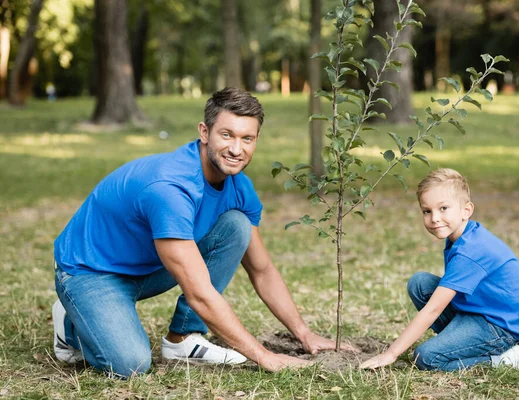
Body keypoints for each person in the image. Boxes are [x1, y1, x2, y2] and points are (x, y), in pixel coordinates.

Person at [52, 87, 353, 378]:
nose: (237, 149)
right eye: (227, 135)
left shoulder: (239, 187)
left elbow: (262, 270)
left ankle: (183, 339)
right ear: (204, 132)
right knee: (130, 363)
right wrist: (266, 357)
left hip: (149, 266)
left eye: (247, 138)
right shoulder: (171, 188)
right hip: (90, 271)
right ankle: (72, 322)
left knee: (237, 226)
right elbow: (200, 294)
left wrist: (304, 334)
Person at [360, 168, 519, 371]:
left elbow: (433, 309)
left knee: (426, 357)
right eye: (427, 211)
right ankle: (460, 342)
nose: (434, 218)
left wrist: (391, 353)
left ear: (466, 210)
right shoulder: (461, 236)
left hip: (501, 327)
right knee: (420, 283)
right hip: (479, 311)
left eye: (443, 208)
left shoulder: (471, 251)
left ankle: (504, 359)